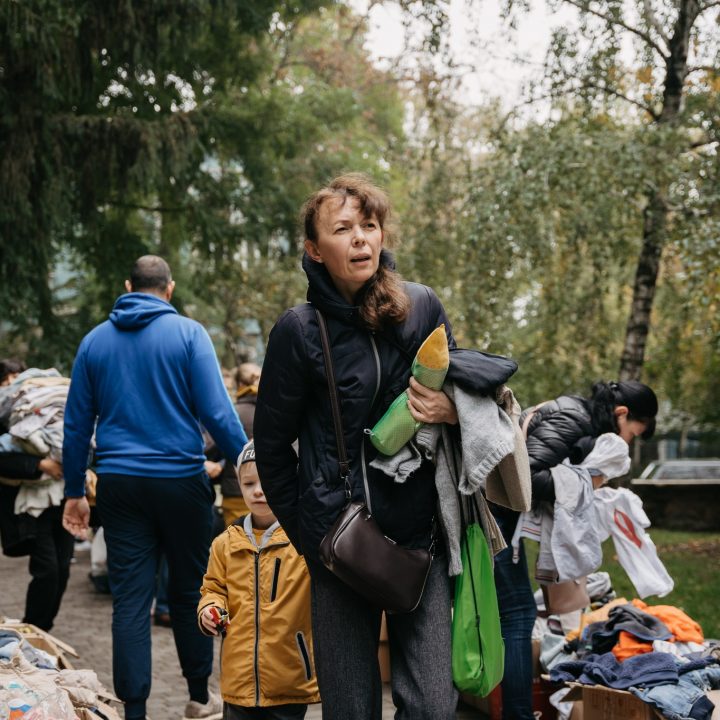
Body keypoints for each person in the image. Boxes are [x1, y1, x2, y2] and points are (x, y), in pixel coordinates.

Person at [254, 174, 460, 720]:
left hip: (420, 534)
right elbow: (272, 449)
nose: (360, 239)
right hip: (338, 543)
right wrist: (310, 535)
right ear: (314, 250)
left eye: (369, 226)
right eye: (342, 229)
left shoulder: (421, 307)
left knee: (435, 706)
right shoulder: (298, 331)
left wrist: (452, 409)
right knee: (349, 709)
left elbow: (468, 395)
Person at [61, 255, 248, 720]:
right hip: (181, 481)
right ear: (170, 288)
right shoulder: (189, 334)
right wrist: (251, 462)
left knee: (130, 600)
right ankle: (199, 697)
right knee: (189, 592)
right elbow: (218, 414)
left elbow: (75, 426)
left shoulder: (94, 342)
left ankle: (136, 712)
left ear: (128, 285)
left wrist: (73, 491)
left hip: (120, 484)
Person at [492, 380, 658, 720]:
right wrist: (587, 481)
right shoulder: (573, 418)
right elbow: (528, 478)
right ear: (621, 413)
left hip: (499, 518)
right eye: (633, 432)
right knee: (518, 615)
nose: (629, 441)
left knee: (515, 614)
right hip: (492, 518)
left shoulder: (581, 421)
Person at [198, 440, 320, 719]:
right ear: (238, 485)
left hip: (288, 680)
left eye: (268, 480)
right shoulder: (225, 543)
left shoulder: (302, 540)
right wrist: (209, 609)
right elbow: (213, 588)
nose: (259, 491)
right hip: (238, 681)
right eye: (249, 483)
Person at [0, 358, 74, 631]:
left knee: (63, 569)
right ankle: (34, 628)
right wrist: (40, 464)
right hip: (28, 503)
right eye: (10, 379)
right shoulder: (5, 417)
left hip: (62, 498)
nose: (17, 383)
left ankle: (42, 630)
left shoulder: (54, 409)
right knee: (47, 570)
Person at [206, 362, 262, 527]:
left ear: (240, 385)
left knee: (237, 544)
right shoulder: (278, 410)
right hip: (272, 491)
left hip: (236, 491)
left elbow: (209, 447)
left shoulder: (232, 413)